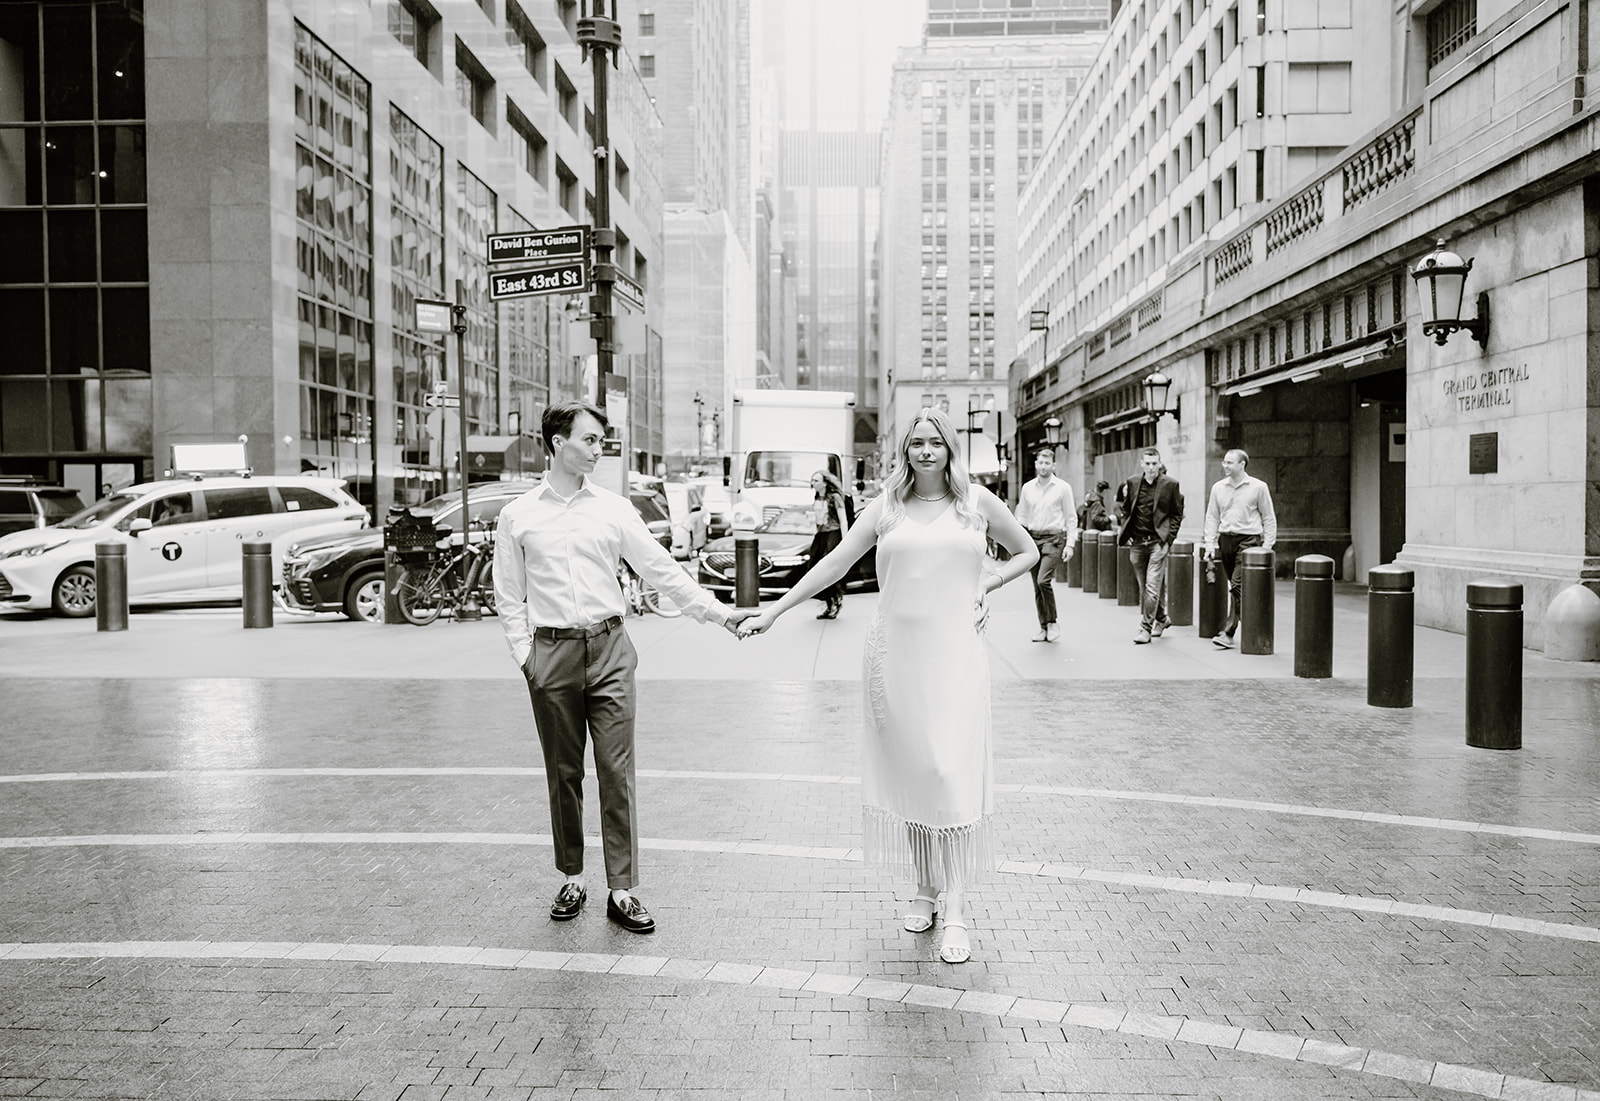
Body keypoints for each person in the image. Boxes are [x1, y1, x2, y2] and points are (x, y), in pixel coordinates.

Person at [739, 407, 1039, 965]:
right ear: (906, 451)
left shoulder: (978, 504)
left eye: (936, 443)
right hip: (893, 658)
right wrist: (775, 611)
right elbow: (834, 563)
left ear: (951, 449)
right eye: (916, 444)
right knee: (912, 775)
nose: (926, 452)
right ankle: (923, 886)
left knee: (949, 772)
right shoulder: (888, 508)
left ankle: (955, 907)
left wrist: (987, 584)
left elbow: (1029, 551)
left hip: (956, 657)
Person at [493, 401, 755, 934]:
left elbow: (661, 570)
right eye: (589, 440)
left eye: (600, 441)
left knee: (617, 772)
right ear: (557, 442)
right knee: (564, 774)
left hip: (610, 649)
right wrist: (528, 660)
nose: (597, 449)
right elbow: (508, 597)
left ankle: (623, 889)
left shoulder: (613, 509)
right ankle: (572, 876)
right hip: (552, 653)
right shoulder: (518, 515)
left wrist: (720, 614)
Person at [1202, 448, 1277, 649]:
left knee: (1236, 584)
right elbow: (1212, 516)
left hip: (1249, 541)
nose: (1224, 465)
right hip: (1226, 540)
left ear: (1242, 464)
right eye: (1224, 462)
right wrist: (1210, 543)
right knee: (1237, 587)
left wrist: (1266, 547)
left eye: (1229, 462)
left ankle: (1229, 631)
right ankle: (1256, 621)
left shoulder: (1258, 487)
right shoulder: (1218, 488)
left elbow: (1268, 517)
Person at [1117, 448, 1185, 645]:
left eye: (1154, 463)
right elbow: (1126, 509)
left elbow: (1177, 513)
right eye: (1147, 463)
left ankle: (1145, 628)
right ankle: (1162, 619)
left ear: (1160, 463)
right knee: (1145, 588)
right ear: (1142, 463)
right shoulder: (1132, 482)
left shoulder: (1170, 484)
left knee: (1152, 587)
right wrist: (1126, 533)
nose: (1151, 467)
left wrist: (1168, 539)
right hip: (1137, 543)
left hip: (1157, 543)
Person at [1014, 447, 1077, 642]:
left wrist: (1070, 544)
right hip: (1033, 539)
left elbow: (1071, 517)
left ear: (1054, 465)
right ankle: (1043, 627)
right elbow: (1021, 517)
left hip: (1054, 538)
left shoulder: (1063, 488)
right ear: (1036, 464)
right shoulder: (1027, 488)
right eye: (1040, 462)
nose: (1043, 466)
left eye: (1047, 463)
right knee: (1036, 586)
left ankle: (1053, 622)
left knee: (1043, 581)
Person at [806, 470, 852, 619]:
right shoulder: (817, 497)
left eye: (816, 480)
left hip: (833, 534)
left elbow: (843, 519)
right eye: (812, 480)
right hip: (820, 535)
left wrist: (845, 541)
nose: (813, 483)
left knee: (830, 568)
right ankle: (828, 604)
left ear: (825, 482)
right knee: (815, 567)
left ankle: (836, 602)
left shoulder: (835, 497)